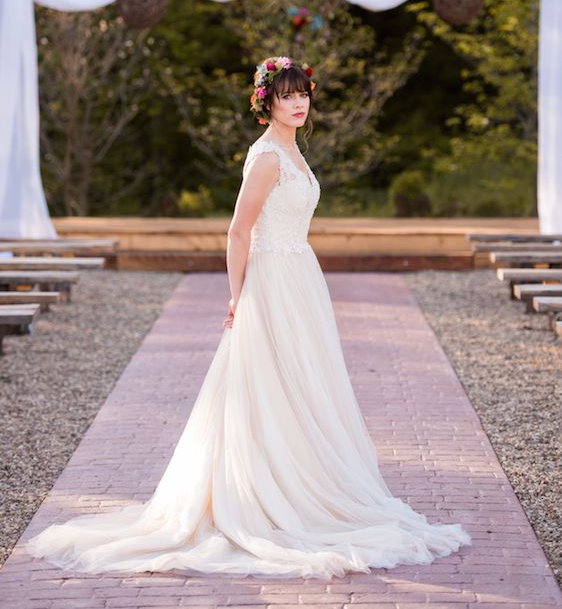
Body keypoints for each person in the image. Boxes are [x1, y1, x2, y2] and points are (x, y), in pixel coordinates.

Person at [25, 55, 472, 578]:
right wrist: (238, 296)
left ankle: (304, 477)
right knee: (267, 384)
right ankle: (263, 493)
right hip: (271, 281)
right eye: (286, 95)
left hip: (300, 275)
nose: (298, 102)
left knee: (302, 386)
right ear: (268, 103)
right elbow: (238, 231)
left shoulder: (294, 152)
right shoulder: (266, 158)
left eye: (302, 92)